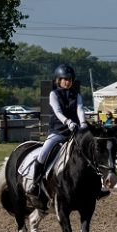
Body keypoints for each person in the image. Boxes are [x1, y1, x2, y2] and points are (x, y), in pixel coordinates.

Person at [26, 64, 91, 208]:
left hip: (73, 132)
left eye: (70, 79)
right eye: (65, 79)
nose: (68, 82)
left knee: (89, 153)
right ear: (58, 80)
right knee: (43, 154)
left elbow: (80, 109)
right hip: (57, 131)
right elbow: (57, 111)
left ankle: (95, 187)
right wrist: (68, 122)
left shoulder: (77, 95)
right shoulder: (53, 94)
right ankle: (35, 184)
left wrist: (83, 123)